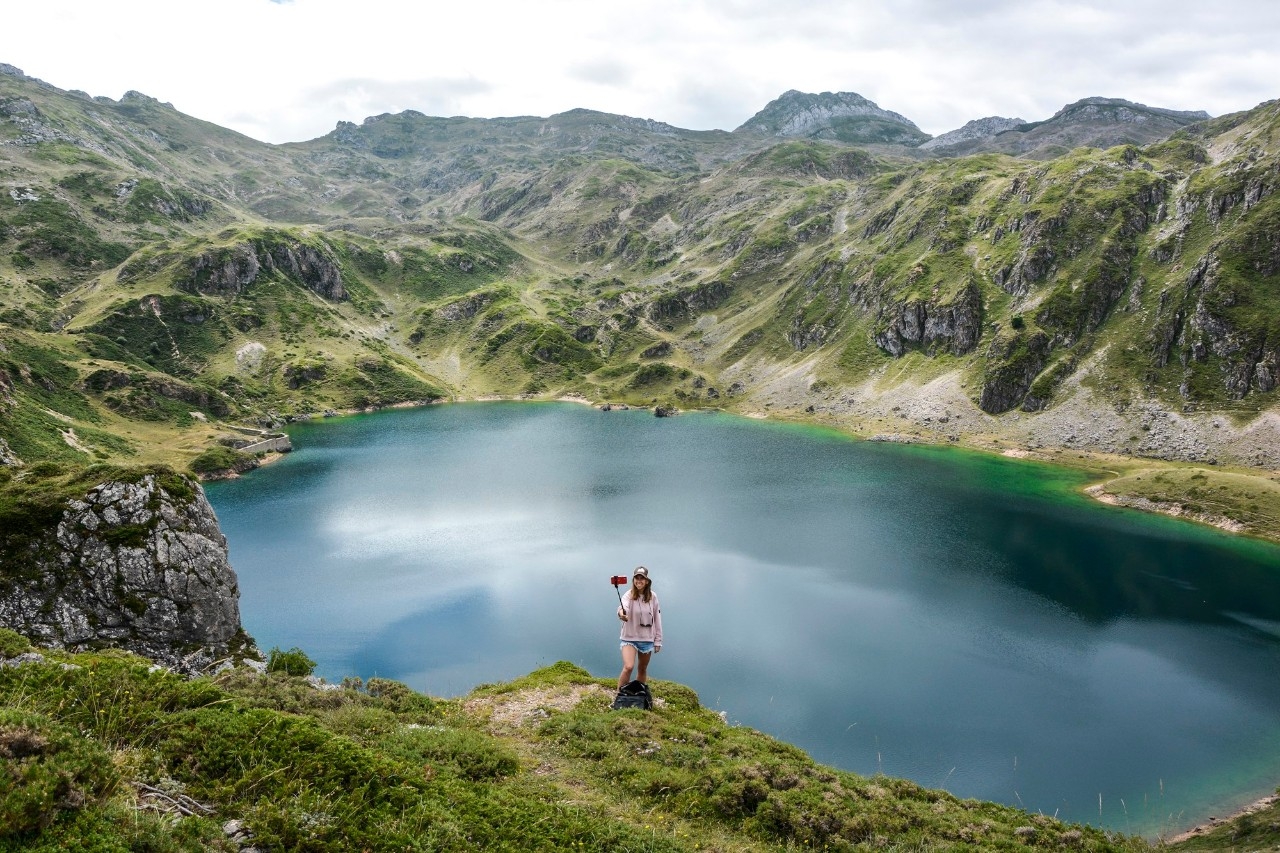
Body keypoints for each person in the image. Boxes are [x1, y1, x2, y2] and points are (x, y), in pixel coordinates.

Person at [617, 565, 662, 689]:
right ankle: (619, 697)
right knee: (628, 667)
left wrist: (658, 640)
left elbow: (657, 619)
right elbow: (622, 607)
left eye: (642, 578)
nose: (639, 581)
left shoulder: (653, 597)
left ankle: (638, 696)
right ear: (633, 580)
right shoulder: (628, 595)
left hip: (647, 639)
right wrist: (622, 614)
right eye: (636, 578)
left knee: (642, 669)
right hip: (629, 638)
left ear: (647, 581)